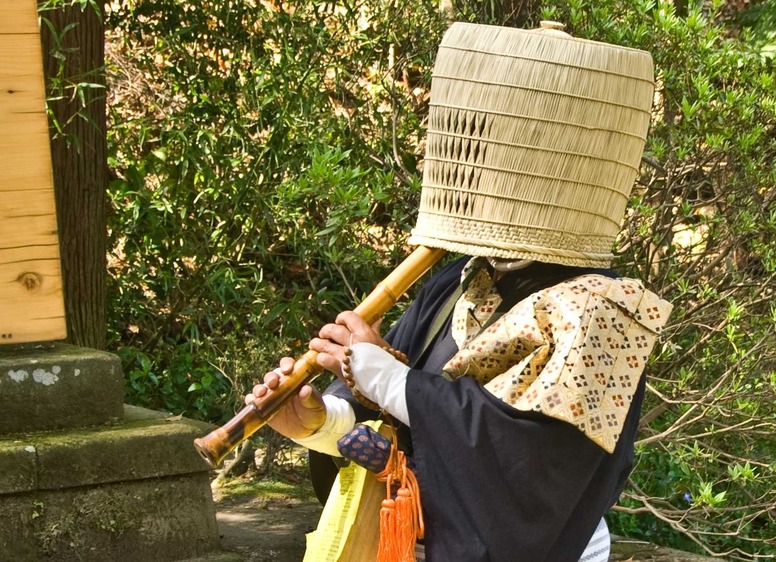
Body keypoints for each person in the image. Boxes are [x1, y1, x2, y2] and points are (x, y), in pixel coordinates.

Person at [248, 21, 671, 562]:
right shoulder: (457, 281)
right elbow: (396, 437)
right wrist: (320, 423)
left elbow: (524, 467)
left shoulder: (603, 311)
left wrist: (388, 376)